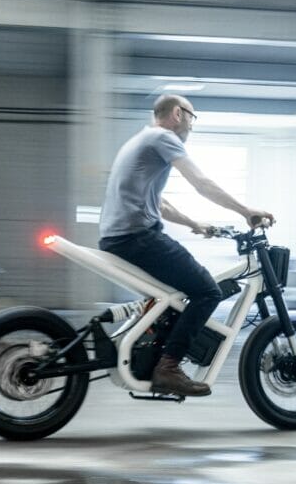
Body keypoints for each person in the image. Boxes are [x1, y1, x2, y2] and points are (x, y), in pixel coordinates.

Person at [99, 94, 275, 397]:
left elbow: (160, 204)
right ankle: (167, 368)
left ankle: (157, 354)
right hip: (138, 237)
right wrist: (247, 212)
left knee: (176, 296)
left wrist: (195, 224)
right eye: (193, 119)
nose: (192, 127)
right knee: (207, 291)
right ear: (178, 114)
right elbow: (201, 183)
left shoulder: (142, 140)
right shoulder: (163, 137)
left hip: (121, 237)